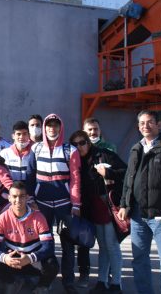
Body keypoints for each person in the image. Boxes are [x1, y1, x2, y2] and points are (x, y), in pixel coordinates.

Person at [118, 110, 161, 294]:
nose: (145, 126)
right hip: (138, 216)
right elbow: (128, 179)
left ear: (159, 125)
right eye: (141, 123)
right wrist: (124, 204)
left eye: (149, 122)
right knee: (139, 259)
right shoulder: (135, 148)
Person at [69, 130, 126, 294]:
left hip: (108, 206)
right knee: (102, 247)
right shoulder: (76, 161)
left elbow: (126, 172)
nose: (79, 147)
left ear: (88, 142)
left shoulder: (104, 155)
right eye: (75, 144)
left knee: (112, 246)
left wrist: (107, 173)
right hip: (93, 209)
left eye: (82, 142)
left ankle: (116, 284)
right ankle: (102, 281)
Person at [33, 113, 81, 293]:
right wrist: (32, 199)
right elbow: (31, 176)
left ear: (61, 128)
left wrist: (76, 204)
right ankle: (47, 279)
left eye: (55, 125)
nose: (52, 129)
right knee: (46, 244)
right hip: (42, 204)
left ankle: (68, 282)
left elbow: (76, 179)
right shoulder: (36, 149)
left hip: (64, 204)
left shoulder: (71, 150)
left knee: (68, 245)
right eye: (49, 125)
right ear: (44, 128)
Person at [0, 181, 58, 294]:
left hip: (33, 258)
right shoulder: (2, 218)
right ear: (9, 198)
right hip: (13, 259)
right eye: (14, 196)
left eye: (22, 196)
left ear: (27, 198)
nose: (18, 200)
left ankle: (42, 286)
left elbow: (48, 246)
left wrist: (29, 258)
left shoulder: (38, 217)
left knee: (52, 265)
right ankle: (12, 281)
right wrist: (5, 258)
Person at [77, 117, 117, 288]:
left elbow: (115, 173)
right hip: (85, 201)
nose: (93, 132)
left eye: (95, 129)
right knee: (83, 240)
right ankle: (85, 273)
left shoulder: (108, 149)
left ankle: (109, 278)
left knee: (108, 244)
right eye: (89, 130)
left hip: (102, 201)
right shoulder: (78, 149)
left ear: (100, 131)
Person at [0, 121, 37, 204]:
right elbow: (1, 176)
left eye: (24, 134)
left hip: (31, 197)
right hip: (10, 197)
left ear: (29, 135)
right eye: (18, 134)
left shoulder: (35, 152)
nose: (21, 137)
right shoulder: (4, 153)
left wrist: (30, 195)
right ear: (13, 136)